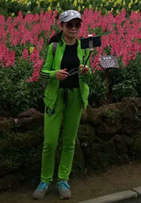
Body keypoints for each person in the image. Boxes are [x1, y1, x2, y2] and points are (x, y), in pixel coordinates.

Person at [32, 10, 91, 200]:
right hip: (55, 97)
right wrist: (54, 74)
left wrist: (86, 71)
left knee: (69, 142)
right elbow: (42, 72)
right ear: (62, 26)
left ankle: (63, 180)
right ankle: (45, 180)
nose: (73, 28)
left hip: (75, 97)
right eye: (69, 25)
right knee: (50, 142)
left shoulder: (83, 46)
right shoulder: (54, 47)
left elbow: (86, 73)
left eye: (77, 25)